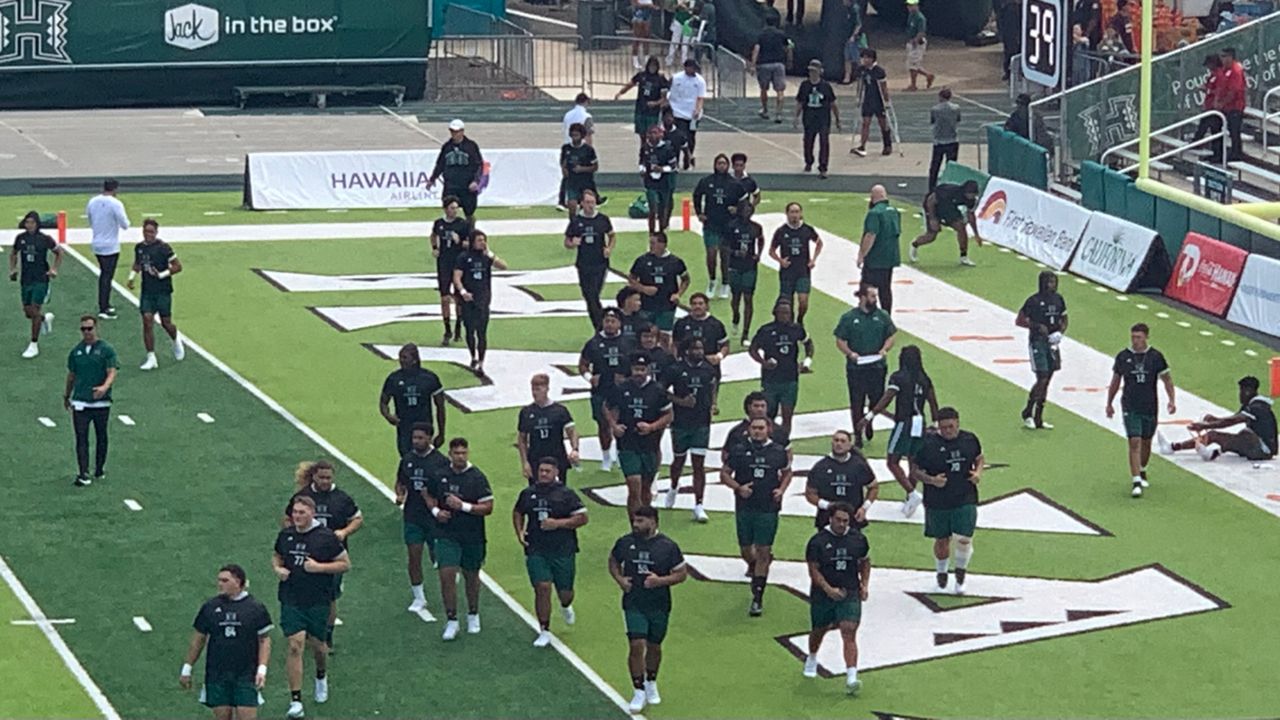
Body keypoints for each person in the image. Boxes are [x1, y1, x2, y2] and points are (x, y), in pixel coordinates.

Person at [272, 496, 349, 719]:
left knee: (318, 645)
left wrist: (319, 567)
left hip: (317, 600)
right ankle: (295, 699)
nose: (297, 516)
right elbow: (277, 556)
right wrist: (278, 569)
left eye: (302, 512)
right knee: (295, 645)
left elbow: (345, 564)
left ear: (312, 513)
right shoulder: (286, 535)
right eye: (295, 512)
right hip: (291, 598)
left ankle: (321, 675)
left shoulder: (326, 537)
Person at [608, 506, 687, 714]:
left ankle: (651, 680)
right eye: (635, 521)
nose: (635, 525)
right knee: (637, 644)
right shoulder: (625, 542)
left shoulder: (668, 546)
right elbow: (613, 561)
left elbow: (681, 574)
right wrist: (620, 580)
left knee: (654, 646)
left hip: (659, 604)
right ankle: (638, 689)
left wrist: (660, 581)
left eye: (640, 521)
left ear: (653, 521)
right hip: (633, 602)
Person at [284, 462, 361, 651]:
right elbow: (287, 518)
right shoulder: (303, 497)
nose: (325, 481)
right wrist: (293, 534)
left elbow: (357, 518)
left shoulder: (341, 498)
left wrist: (344, 532)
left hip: (332, 554)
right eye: (321, 477)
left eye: (328, 477)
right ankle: (307, 629)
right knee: (303, 591)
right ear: (314, 477)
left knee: (330, 597)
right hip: (304, 553)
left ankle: (327, 635)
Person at [514, 457, 589, 647]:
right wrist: (520, 532)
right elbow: (518, 511)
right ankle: (544, 629)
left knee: (565, 592)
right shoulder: (528, 493)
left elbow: (582, 517)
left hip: (563, 549)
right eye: (541, 470)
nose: (544, 474)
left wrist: (558, 524)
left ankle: (565, 605)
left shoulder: (566, 494)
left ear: (556, 472)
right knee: (542, 587)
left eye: (548, 471)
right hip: (536, 548)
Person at [181, 564, 272, 720]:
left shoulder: (255, 608)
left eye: (224, 580)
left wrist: (262, 669)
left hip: (245, 673)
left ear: (238, 582)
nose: (220, 584)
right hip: (217, 673)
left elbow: (264, 640)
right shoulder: (210, 607)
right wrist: (187, 668)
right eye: (219, 580)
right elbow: (198, 639)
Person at [722, 416, 792, 616]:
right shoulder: (739, 450)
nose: (757, 431)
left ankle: (757, 596)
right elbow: (724, 473)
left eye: (761, 428)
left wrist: (781, 489)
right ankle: (756, 568)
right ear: (749, 430)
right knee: (745, 550)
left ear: (768, 429)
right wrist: (738, 487)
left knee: (763, 550)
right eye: (754, 428)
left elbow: (787, 472)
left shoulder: (778, 452)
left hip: (768, 508)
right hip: (745, 507)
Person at [427, 437, 495, 641]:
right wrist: (436, 510)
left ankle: (473, 613)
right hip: (446, 533)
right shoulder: (440, 475)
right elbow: (427, 493)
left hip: (472, 534)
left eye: (464, 453)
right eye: (456, 453)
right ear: (450, 454)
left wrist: (463, 506)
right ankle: (452, 619)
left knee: (471, 575)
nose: (460, 457)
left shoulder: (477, 477)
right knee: (446, 574)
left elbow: (488, 507)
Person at [910, 407, 983, 594]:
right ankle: (941, 573)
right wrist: (932, 480)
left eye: (951, 426)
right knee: (942, 540)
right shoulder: (928, 444)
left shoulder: (969, 439)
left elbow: (979, 457)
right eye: (943, 428)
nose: (947, 431)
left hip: (965, 495)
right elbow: (914, 470)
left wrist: (978, 472)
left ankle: (961, 573)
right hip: (937, 500)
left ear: (958, 423)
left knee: (965, 538)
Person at [802, 502, 870, 694]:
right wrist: (828, 589)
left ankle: (851, 676)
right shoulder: (817, 542)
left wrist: (864, 584)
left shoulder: (858, 539)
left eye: (845, 521)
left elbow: (865, 562)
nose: (842, 524)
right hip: (823, 594)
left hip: (850, 590)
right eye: (838, 520)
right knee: (819, 629)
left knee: (849, 630)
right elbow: (813, 570)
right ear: (830, 519)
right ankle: (812, 656)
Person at [864, 345, 937, 517]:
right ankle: (909, 498)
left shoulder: (898, 377)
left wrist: (870, 415)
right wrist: (935, 424)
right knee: (914, 462)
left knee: (892, 461)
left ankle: (911, 494)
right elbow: (933, 403)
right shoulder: (925, 379)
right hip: (921, 422)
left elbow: (888, 397)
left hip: (905, 423)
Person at [1106, 323, 1176, 498]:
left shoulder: (1155, 357)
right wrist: (1110, 402)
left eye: (1138, 337)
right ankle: (1136, 480)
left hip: (1150, 405)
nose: (1135, 341)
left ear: (1146, 337)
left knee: (1146, 441)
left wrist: (1171, 400)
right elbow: (1115, 381)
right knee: (1134, 441)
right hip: (1130, 405)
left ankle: (1142, 469)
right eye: (1133, 337)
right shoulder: (1123, 357)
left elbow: (1167, 379)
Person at [606, 352, 675, 513]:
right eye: (636, 369)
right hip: (628, 443)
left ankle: (646, 520)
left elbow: (669, 415)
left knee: (645, 488)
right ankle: (634, 524)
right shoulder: (622, 388)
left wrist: (651, 427)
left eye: (642, 369)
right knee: (634, 485)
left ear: (648, 370)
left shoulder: (657, 390)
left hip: (649, 445)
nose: (639, 373)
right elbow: (608, 408)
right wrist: (614, 426)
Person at [661, 337, 718, 521]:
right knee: (678, 460)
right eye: (695, 348)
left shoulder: (708, 368)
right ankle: (673, 486)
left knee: (698, 465)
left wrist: (713, 404)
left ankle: (699, 504)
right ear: (687, 351)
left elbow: (713, 384)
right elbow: (660, 390)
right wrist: (680, 401)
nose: (699, 352)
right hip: (680, 422)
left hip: (701, 422)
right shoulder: (675, 370)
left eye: (701, 348)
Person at [396, 422, 450, 615]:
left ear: (429, 438)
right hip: (413, 515)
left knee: (440, 557)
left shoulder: (440, 461)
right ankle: (419, 596)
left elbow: (446, 489)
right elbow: (401, 482)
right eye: (414, 438)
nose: (416, 441)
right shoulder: (408, 459)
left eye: (420, 438)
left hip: (434, 517)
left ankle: (449, 586)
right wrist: (400, 494)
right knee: (414, 555)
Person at [835, 284, 897, 448]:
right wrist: (850, 353)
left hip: (877, 366)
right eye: (872, 296)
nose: (874, 299)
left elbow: (891, 335)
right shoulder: (849, 317)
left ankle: (869, 421)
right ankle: (858, 434)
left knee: (876, 399)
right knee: (856, 401)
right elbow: (840, 340)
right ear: (862, 297)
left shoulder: (882, 316)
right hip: (856, 368)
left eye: (875, 297)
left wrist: (884, 349)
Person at [1160, 376, 1276, 462]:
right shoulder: (1252, 404)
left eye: (1241, 391)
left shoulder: (1257, 407)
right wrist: (1214, 419)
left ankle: (1208, 452)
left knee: (1241, 435)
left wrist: (1205, 426)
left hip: (1264, 450)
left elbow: (1232, 421)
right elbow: (1233, 418)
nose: (1239, 395)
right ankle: (1175, 447)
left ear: (1247, 391)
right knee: (1238, 435)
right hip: (1259, 447)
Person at [579, 308, 637, 473]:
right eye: (607, 321)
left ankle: (620, 454)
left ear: (619, 323)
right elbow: (582, 365)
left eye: (613, 321)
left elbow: (639, 365)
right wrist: (590, 377)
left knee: (623, 422)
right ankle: (606, 456)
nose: (610, 324)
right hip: (601, 390)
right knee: (603, 424)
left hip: (623, 390)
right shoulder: (593, 343)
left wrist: (629, 379)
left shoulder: (629, 342)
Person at [65, 315, 118, 486]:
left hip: (101, 402)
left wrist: (104, 387)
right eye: (83, 329)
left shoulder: (106, 350)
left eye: (89, 328)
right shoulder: (76, 352)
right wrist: (67, 395)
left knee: (101, 435)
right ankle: (83, 473)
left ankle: (99, 468)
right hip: (81, 400)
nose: (86, 332)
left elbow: (112, 371)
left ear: (96, 328)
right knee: (81, 437)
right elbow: (71, 375)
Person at [125, 218, 185, 371]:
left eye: (151, 232)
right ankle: (151, 356)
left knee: (166, 323)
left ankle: (175, 338)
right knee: (147, 320)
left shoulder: (163, 248)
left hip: (163, 290)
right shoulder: (139, 248)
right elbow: (137, 264)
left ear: (156, 232)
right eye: (146, 231)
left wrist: (162, 274)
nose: (148, 235)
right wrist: (132, 277)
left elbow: (178, 266)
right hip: (147, 291)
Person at [749, 299, 813, 435]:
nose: (785, 315)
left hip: (790, 379)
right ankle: (768, 439)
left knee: (787, 415)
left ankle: (783, 442)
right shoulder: (766, 330)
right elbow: (753, 349)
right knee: (768, 415)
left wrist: (807, 361)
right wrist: (763, 362)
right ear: (775, 313)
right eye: (782, 312)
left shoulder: (796, 329)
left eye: (787, 313)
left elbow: (808, 343)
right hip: (770, 380)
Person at [1016, 271, 1068, 430]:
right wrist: (1036, 326)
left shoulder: (1059, 299)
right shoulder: (1033, 301)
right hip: (1037, 342)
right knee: (1042, 377)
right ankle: (1028, 411)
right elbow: (1019, 320)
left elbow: (1064, 318)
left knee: (1049, 377)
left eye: (1054, 282)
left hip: (1053, 343)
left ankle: (1039, 416)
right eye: (1049, 282)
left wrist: (1060, 332)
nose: (1052, 285)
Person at [453, 230, 508, 376]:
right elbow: (457, 277)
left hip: (482, 299)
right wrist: (463, 292)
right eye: (479, 240)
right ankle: (473, 356)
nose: (482, 242)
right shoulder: (463, 257)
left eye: (484, 240)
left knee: (482, 332)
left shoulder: (486, 258)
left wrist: (491, 254)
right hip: (468, 299)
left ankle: (482, 362)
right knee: (470, 331)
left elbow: (504, 266)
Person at [692, 154, 745, 298]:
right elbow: (696, 195)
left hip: (728, 225)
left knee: (725, 255)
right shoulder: (707, 181)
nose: (721, 166)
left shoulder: (734, 184)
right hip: (711, 224)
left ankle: (725, 283)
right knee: (711, 253)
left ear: (728, 166)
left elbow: (745, 201)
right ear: (715, 165)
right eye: (719, 163)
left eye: (724, 163)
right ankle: (712, 280)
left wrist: (738, 210)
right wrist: (699, 213)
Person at [379, 343, 446, 456]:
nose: (401, 360)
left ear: (414, 359)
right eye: (400, 357)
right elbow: (383, 402)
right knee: (406, 458)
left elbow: (440, 406)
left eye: (405, 357)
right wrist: (388, 416)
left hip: (424, 426)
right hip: (404, 427)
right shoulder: (394, 379)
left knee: (425, 458)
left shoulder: (429, 378)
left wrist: (441, 432)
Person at [10, 211, 61, 359]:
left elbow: (59, 252)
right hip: (26, 279)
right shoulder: (21, 238)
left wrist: (54, 269)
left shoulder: (44, 239)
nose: (29, 225)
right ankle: (44, 319)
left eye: (32, 222)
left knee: (34, 307)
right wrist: (13, 269)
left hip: (41, 278)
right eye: (27, 222)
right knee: (28, 313)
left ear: (37, 224)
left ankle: (33, 344)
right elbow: (13, 253)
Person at [805, 431, 876, 529]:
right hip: (826, 519)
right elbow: (810, 493)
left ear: (849, 445)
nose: (839, 444)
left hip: (853, 518)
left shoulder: (859, 465)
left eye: (843, 441)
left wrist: (864, 508)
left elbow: (873, 487)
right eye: (836, 440)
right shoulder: (820, 467)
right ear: (832, 443)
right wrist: (827, 506)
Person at [566, 189, 615, 330]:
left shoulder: (602, 219)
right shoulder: (577, 221)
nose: (590, 205)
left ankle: (600, 327)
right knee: (588, 296)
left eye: (592, 202)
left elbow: (612, 235)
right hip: (584, 263)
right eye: (587, 202)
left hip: (600, 263)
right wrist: (572, 243)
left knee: (593, 294)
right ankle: (600, 325)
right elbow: (567, 241)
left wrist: (609, 249)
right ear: (582, 203)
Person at [628, 231, 690, 344]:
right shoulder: (642, 260)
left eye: (653, 243)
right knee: (645, 333)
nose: (651, 246)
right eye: (650, 243)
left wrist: (678, 294)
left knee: (664, 336)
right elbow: (631, 278)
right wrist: (643, 289)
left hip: (667, 305)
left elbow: (685, 279)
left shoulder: (675, 262)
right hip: (646, 304)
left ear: (663, 244)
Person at [517, 373, 581, 482]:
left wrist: (574, 449)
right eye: (533, 389)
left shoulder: (560, 410)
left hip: (557, 456)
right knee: (537, 491)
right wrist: (525, 462)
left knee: (559, 491)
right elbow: (522, 439)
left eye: (538, 389)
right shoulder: (526, 412)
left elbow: (572, 431)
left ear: (547, 388)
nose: (535, 393)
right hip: (536, 459)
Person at [769, 201, 823, 326]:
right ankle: (790, 324)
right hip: (787, 271)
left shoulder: (807, 229)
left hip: (803, 270)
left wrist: (813, 259)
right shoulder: (781, 231)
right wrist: (780, 261)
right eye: (792, 212)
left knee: (803, 300)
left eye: (797, 212)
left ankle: (800, 319)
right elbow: (771, 251)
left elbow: (819, 243)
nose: (795, 215)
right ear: (787, 214)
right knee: (787, 301)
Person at [86, 178, 130, 320]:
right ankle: (104, 306)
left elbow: (91, 220)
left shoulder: (93, 201)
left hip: (97, 242)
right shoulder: (116, 204)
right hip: (110, 245)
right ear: (115, 189)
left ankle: (104, 304)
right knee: (107, 276)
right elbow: (125, 224)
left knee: (105, 275)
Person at [430, 196, 471, 345]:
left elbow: (469, 244)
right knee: (444, 298)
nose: (455, 211)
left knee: (458, 297)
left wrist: (459, 241)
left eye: (456, 208)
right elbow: (433, 235)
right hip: (444, 263)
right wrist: (435, 248)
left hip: (458, 263)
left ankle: (459, 326)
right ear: (445, 209)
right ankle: (447, 329)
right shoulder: (439, 224)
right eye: (452, 208)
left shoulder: (462, 224)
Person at [910, 179, 981, 267]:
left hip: (950, 209)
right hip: (934, 208)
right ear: (965, 191)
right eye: (970, 193)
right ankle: (915, 244)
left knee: (961, 227)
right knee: (931, 236)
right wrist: (932, 218)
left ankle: (963, 256)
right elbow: (930, 201)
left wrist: (976, 234)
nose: (971, 196)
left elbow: (971, 216)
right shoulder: (949, 191)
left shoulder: (972, 200)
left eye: (973, 194)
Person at [427, 120, 484, 226]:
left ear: (462, 131)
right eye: (452, 131)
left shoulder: (471, 146)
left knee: (469, 213)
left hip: (467, 186)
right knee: (449, 209)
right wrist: (432, 179)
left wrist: (476, 181)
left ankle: (470, 233)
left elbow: (479, 165)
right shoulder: (447, 147)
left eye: (457, 131)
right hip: (451, 185)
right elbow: (440, 164)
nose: (454, 134)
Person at [857, 184, 902, 312]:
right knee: (885, 288)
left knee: (866, 288)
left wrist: (862, 254)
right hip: (890, 257)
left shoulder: (875, 213)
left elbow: (871, 235)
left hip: (876, 257)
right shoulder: (894, 212)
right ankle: (887, 316)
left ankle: (867, 314)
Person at [725, 199, 764, 344]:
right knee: (736, 297)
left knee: (748, 298)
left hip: (750, 266)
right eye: (744, 210)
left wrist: (759, 254)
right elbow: (725, 246)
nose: (747, 213)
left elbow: (761, 239)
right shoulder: (731, 226)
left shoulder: (756, 227)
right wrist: (735, 253)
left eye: (749, 210)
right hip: (735, 266)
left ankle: (745, 333)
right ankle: (736, 315)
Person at [795, 59, 841, 178]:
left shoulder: (825, 86)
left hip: (823, 118)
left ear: (820, 72)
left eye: (815, 71)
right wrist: (796, 117)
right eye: (811, 71)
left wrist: (837, 119)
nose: (812, 74)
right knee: (808, 141)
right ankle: (809, 161)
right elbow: (800, 102)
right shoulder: (804, 85)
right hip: (809, 118)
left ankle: (823, 166)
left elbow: (833, 103)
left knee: (824, 141)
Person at [722, 390, 793, 463]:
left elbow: (788, 454)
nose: (760, 409)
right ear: (749, 407)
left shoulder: (778, 431)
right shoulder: (737, 432)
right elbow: (725, 456)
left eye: (763, 406)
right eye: (756, 406)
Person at [617, 57, 669, 150]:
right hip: (641, 107)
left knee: (653, 132)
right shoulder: (641, 75)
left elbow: (664, 98)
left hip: (653, 111)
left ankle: (653, 149)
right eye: (651, 65)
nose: (652, 68)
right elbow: (630, 84)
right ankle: (643, 149)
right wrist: (621, 92)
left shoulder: (660, 78)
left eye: (654, 66)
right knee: (642, 132)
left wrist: (655, 103)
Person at [750, 14, 791, 122]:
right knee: (780, 90)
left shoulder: (761, 35)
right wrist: (789, 61)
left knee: (764, 89)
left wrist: (753, 65)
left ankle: (765, 110)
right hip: (778, 63)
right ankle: (779, 114)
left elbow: (756, 49)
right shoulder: (782, 34)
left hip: (764, 64)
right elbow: (789, 47)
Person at [639, 125, 680, 234]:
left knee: (663, 208)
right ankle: (651, 232)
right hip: (650, 181)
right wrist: (642, 169)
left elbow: (673, 166)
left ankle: (662, 231)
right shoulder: (645, 148)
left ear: (661, 134)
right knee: (653, 208)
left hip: (664, 182)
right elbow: (642, 161)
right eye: (651, 133)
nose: (653, 135)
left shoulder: (667, 148)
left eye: (655, 133)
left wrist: (662, 169)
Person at [668, 59, 707, 169]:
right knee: (678, 137)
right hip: (677, 112)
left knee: (690, 138)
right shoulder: (676, 78)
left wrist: (698, 109)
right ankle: (675, 160)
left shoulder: (700, 81)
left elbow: (700, 97)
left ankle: (688, 159)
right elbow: (668, 90)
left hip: (692, 115)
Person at [853, 49, 892, 157]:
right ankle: (862, 145)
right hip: (868, 100)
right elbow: (860, 85)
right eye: (863, 58)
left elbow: (884, 88)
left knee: (882, 123)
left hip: (878, 100)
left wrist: (887, 101)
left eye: (867, 58)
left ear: (872, 59)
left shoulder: (879, 71)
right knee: (865, 123)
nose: (864, 60)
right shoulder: (861, 70)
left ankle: (887, 145)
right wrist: (858, 98)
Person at [672, 291, 729, 361]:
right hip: (686, 364)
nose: (697, 306)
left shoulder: (716, 324)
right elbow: (675, 344)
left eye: (700, 304)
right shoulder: (681, 323)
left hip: (709, 365)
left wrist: (719, 356)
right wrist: (676, 360)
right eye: (694, 304)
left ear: (707, 306)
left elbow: (725, 345)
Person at [561, 122, 600, 217]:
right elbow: (563, 163)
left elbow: (595, 166)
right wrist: (564, 170)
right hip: (572, 182)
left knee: (586, 207)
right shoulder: (566, 148)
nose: (574, 138)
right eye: (573, 135)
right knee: (572, 205)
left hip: (586, 182)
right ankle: (573, 225)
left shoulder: (588, 150)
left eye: (577, 135)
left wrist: (582, 169)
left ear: (582, 136)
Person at [1192, 55, 1225, 161]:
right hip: (1209, 105)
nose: (1208, 67)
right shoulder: (1213, 75)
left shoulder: (1220, 75)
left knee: (1215, 129)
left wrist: (1207, 90)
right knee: (1206, 125)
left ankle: (1217, 154)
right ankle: (1197, 142)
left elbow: (1220, 91)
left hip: (1215, 107)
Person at [927, 88, 961, 190]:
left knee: (935, 166)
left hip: (939, 141)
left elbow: (932, 121)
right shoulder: (956, 108)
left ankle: (931, 187)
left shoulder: (935, 109)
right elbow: (958, 119)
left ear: (940, 97)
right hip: (952, 140)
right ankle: (951, 185)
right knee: (951, 166)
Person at [1219, 47, 1246, 162]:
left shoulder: (1236, 70)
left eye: (1225, 56)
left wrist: (1223, 102)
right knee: (1231, 129)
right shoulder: (1226, 69)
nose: (1222, 59)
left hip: (1236, 106)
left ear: (1230, 57)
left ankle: (1237, 153)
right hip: (1228, 106)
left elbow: (1234, 91)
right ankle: (1233, 152)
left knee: (1235, 130)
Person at [904, 0, 934, 90]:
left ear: (916, 5)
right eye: (908, 5)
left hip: (917, 43)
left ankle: (913, 85)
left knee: (913, 64)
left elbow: (921, 32)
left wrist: (915, 41)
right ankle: (928, 75)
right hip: (911, 41)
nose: (909, 7)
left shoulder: (920, 18)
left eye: (911, 5)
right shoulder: (911, 16)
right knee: (911, 64)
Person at [840, 0, 865, 85]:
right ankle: (847, 77)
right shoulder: (846, 9)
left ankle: (862, 75)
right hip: (847, 37)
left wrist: (853, 36)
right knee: (847, 58)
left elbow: (859, 24)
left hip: (854, 38)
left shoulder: (855, 9)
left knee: (856, 59)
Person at [665, 0, 695, 67]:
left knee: (685, 43)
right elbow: (672, 7)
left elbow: (694, 10)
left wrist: (687, 8)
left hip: (688, 22)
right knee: (674, 41)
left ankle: (684, 61)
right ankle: (669, 60)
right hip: (678, 21)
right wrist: (679, 6)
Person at [630, 0, 657, 68]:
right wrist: (648, 5)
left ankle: (646, 59)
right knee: (637, 38)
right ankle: (635, 60)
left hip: (647, 14)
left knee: (646, 38)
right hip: (639, 15)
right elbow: (635, 4)